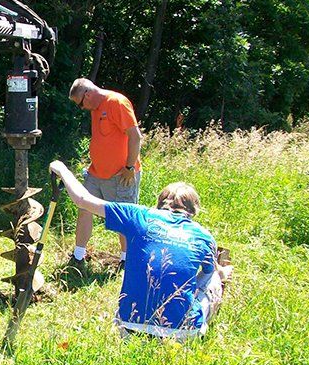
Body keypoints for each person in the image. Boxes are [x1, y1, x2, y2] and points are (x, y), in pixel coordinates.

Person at [50, 160, 232, 340]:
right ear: (193, 211)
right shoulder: (204, 236)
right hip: (181, 333)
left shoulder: (138, 215)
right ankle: (197, 326)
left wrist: (61, 169)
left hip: (130, 325)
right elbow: (208, 273)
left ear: (159, 203)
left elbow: (83, 200)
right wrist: (221, 273)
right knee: (213, 277)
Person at [67, 77, 143, 271]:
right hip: (96, 174)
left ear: (88, 94)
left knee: (123, 217)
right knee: (84, 207)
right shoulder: (95, 108)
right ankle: (78, 256)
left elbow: (135, 137)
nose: (82, 108)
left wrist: (129, 168)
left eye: (81, 103)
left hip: (120, 175)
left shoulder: (117, 103)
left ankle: (127, 260)